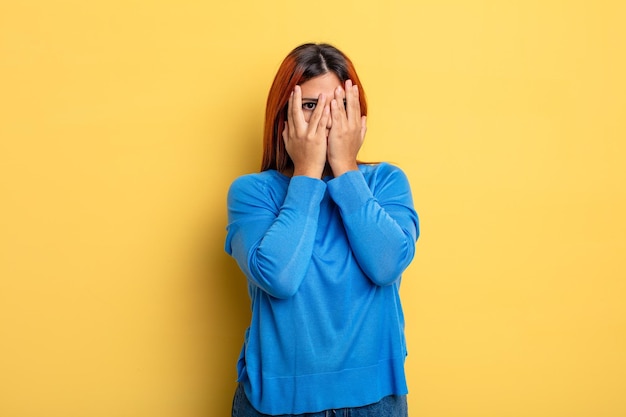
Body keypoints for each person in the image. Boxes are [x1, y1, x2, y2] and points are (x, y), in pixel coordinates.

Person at [225, 43, 419, 417]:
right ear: (285, 117)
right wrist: (307, 174)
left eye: (339, 104)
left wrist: (346, 169)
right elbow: (279, 276)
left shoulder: (386, 183)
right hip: (278, 406)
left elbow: (386, 265)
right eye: (310, 106)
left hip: (374, 402)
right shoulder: (253, 192)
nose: (325, 120)